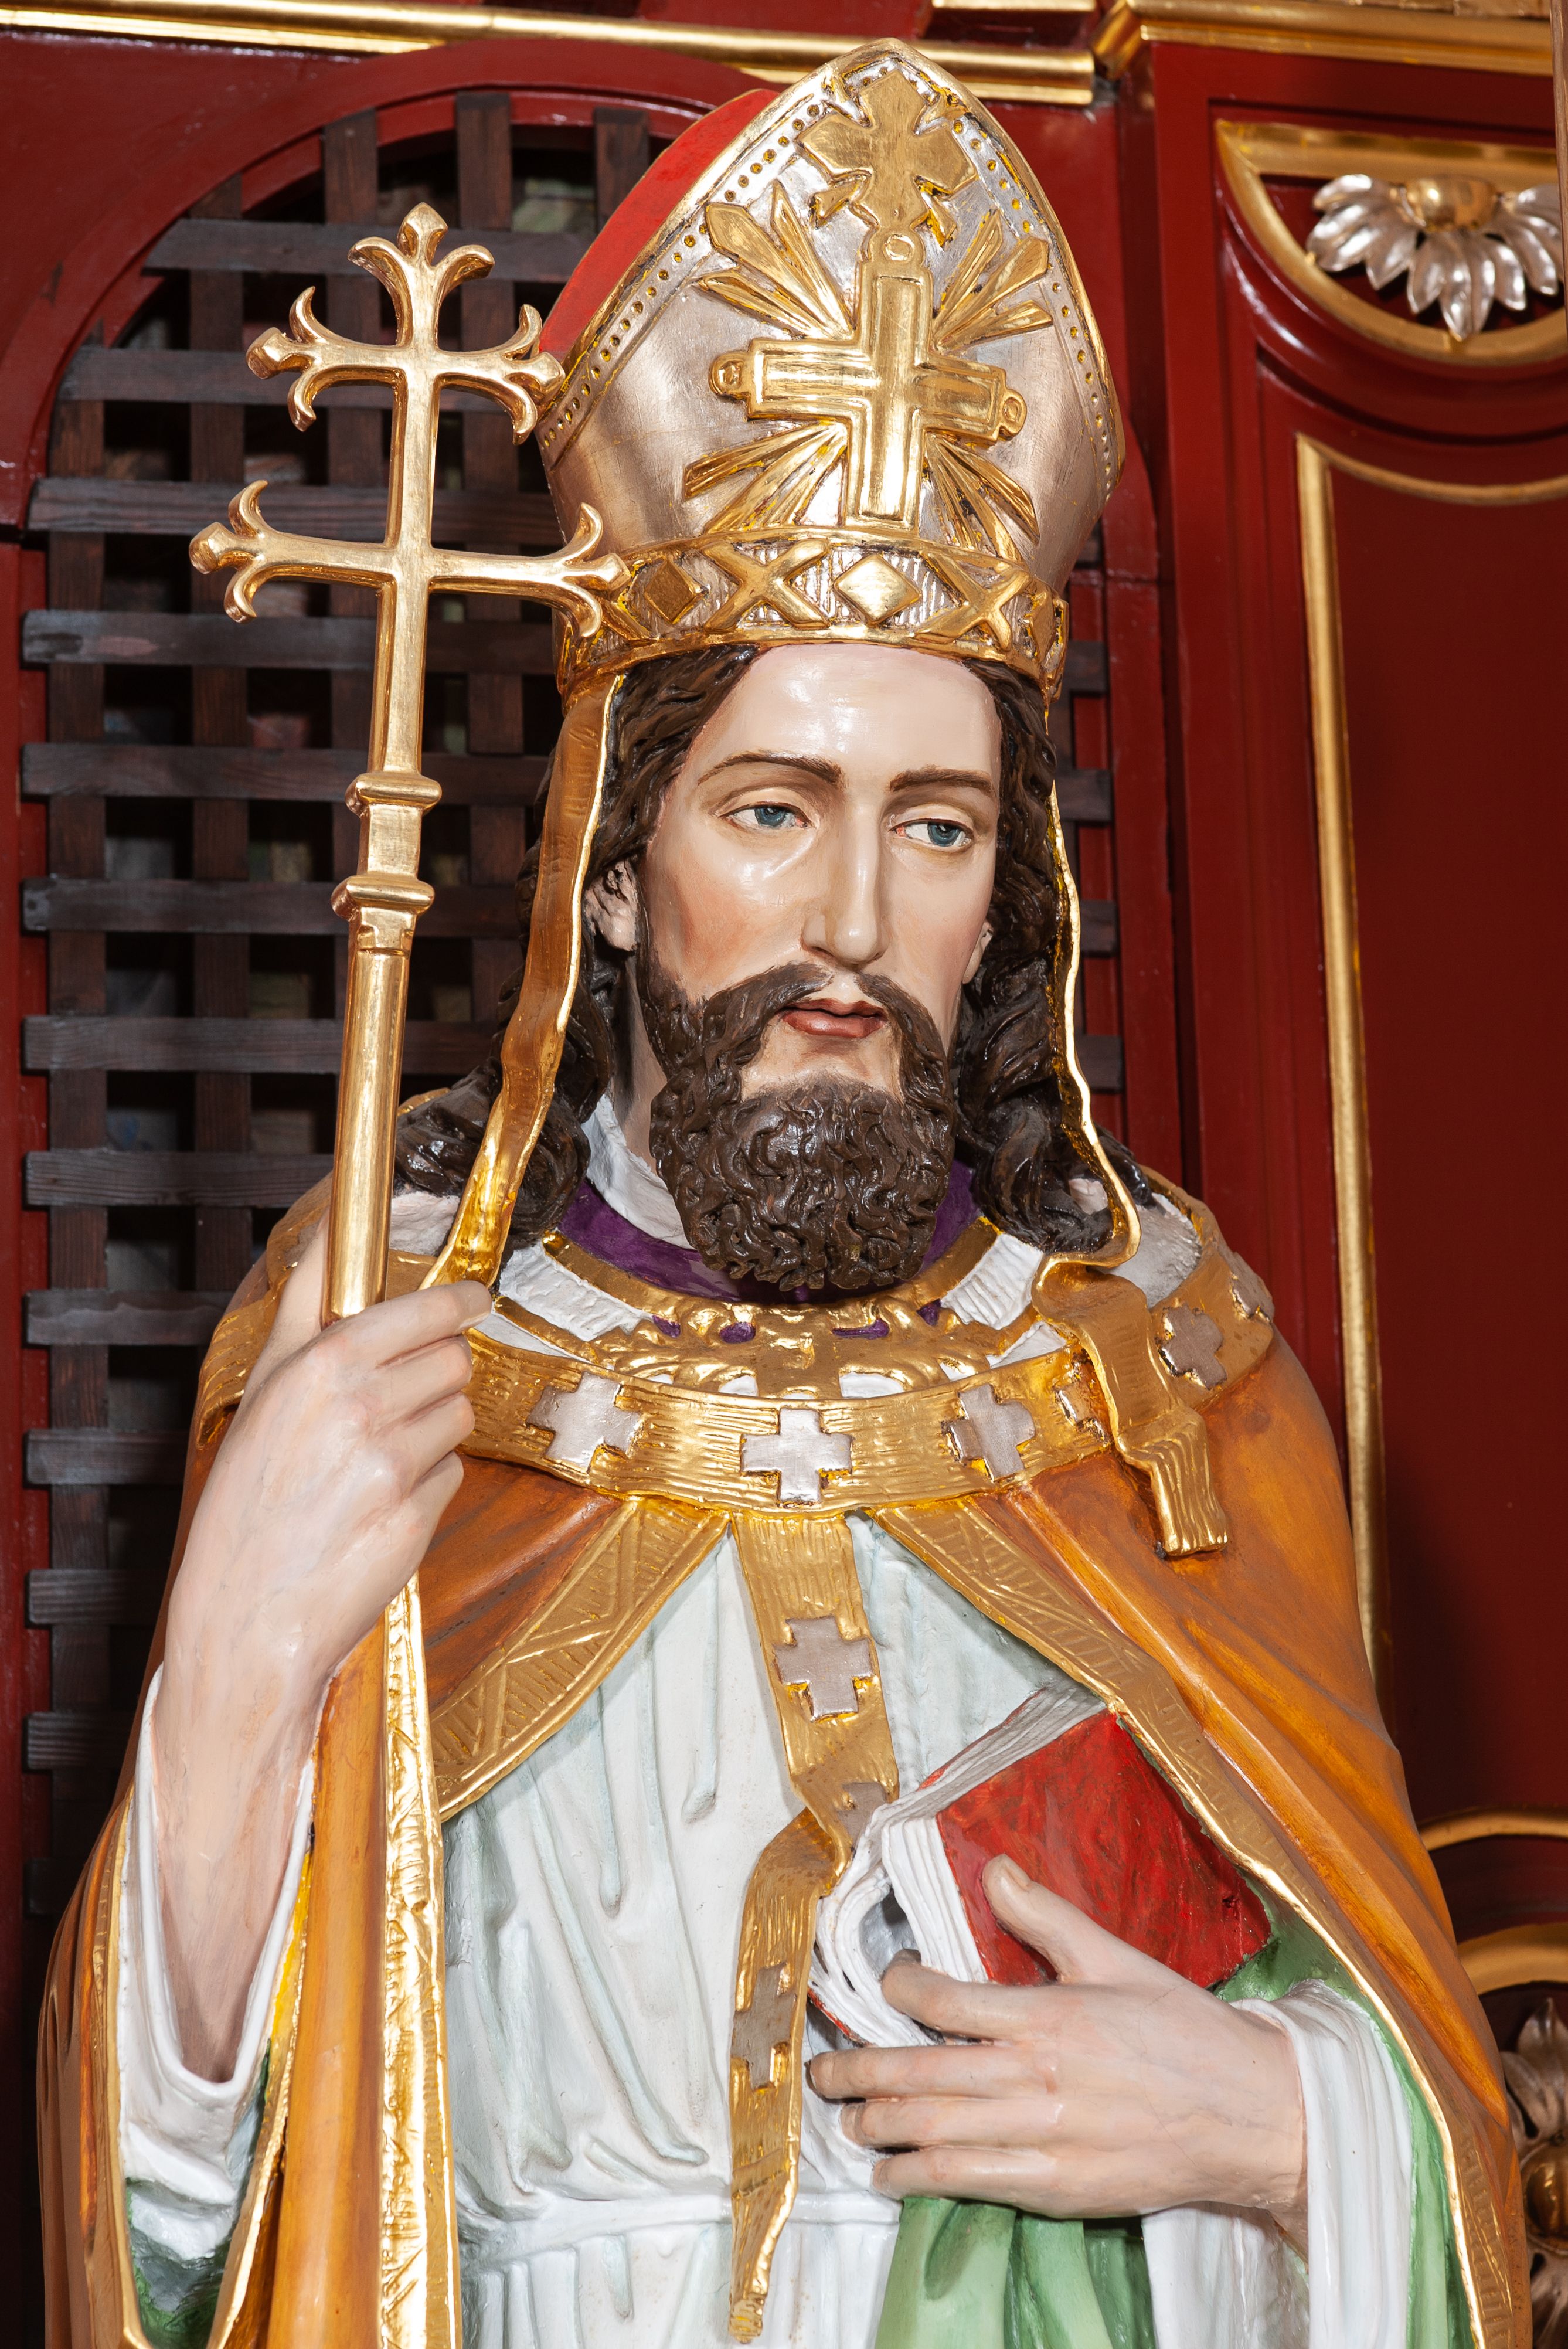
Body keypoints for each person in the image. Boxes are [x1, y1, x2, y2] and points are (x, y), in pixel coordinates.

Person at [39, 39, 1525, 2349]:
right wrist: (234, 1669)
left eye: (934, 826)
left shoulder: (1160, 1363)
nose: (849, 920)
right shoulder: (393, 1348)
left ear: (1002, 894)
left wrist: (1282, 2126)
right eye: (769, 812)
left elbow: (1416, 2079)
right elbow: (181, 2202)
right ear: (613, 869)